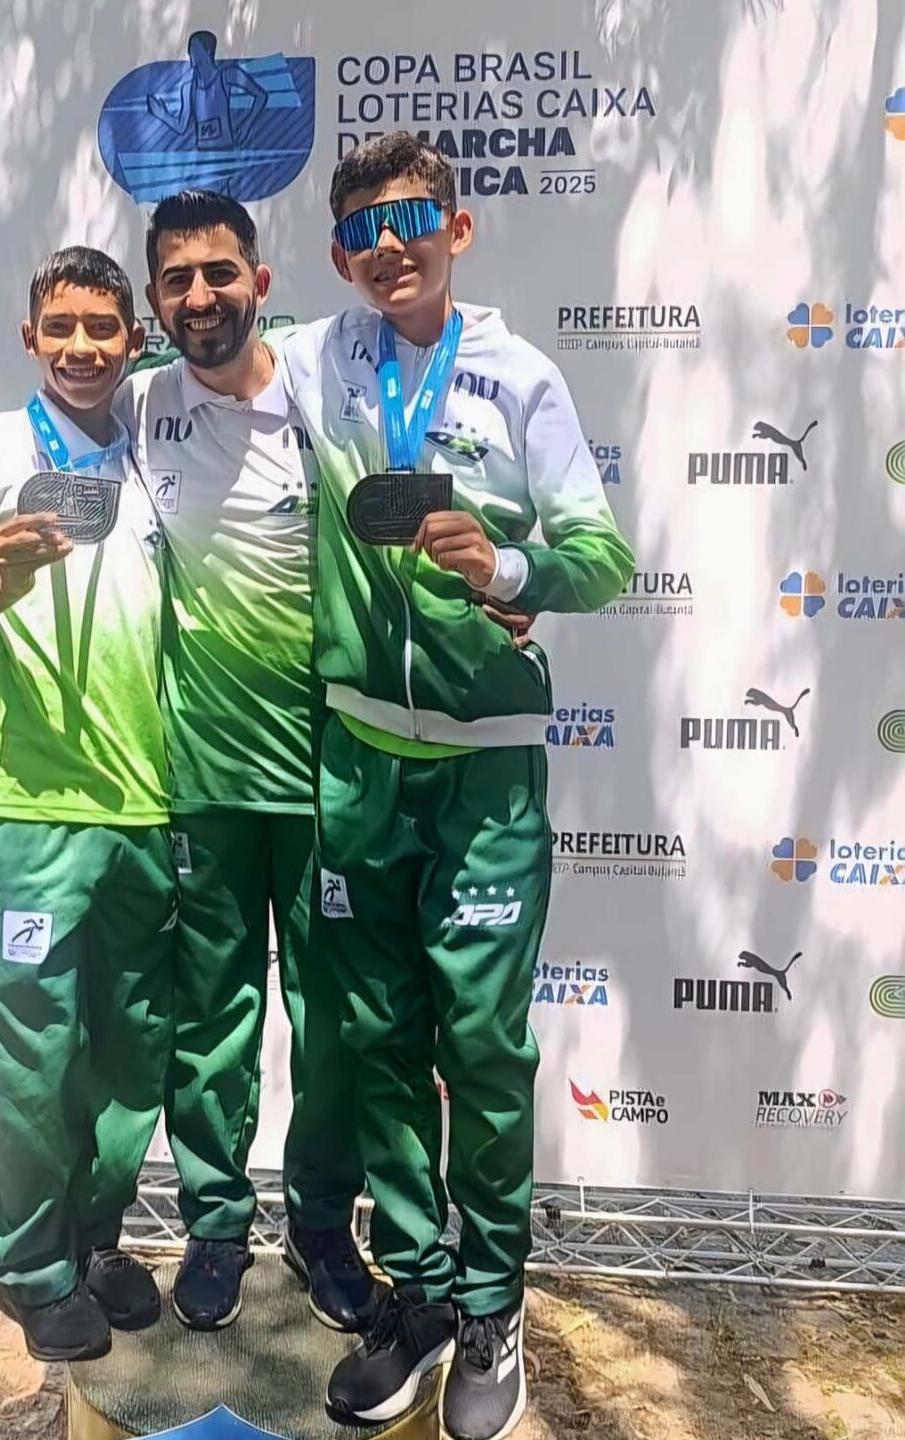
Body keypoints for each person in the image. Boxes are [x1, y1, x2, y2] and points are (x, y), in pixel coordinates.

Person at [278, 134, 635, 1439]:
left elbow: (601, 557)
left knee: (480, 1049)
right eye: (364, 230)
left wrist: (506, 570)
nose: (391, 246)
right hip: (358, 763)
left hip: (484, 775)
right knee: (378, 1044)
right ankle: (420, 1294)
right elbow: (195, 364)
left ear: (458, 229)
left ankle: (492, 1304)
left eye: (412, 219)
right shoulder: (318, 362)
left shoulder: (520, 376)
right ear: (339, 257)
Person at [0, 246, 176, 1364]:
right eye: (60, 327)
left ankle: (93, 1240)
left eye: (102, 328)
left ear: (133, 340)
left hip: (150, 810)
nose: (80, 347)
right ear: (30, 337)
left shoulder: (162, 448)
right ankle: (27, 1263)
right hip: (23, 812)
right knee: (30, 1065)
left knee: (131, 1059)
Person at [114, 190, 376, 1334]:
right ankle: (217, 1226)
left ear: (261, 282)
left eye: (219, 273)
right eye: (176, 280)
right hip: (203, 781)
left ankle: (323, 1228)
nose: (200, 296)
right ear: (154, 300)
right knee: (210, 1020)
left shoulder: (330, 391)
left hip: (329, 779)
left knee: (334, 1024)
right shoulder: (135, 405)